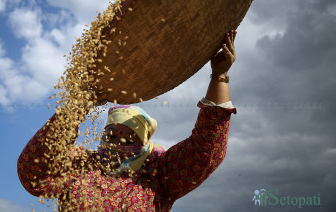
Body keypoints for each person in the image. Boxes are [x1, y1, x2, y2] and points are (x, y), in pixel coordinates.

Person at [18, 30, 238, 211]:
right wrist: (79, 105)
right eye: (112, 134)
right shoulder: (82, 166)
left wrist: (219, 77)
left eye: (129, 137)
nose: (118, 143)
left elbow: (206, 150)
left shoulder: (158, 174)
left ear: (143, 140)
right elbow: (33, 170)